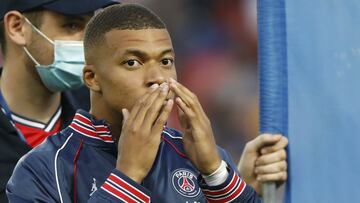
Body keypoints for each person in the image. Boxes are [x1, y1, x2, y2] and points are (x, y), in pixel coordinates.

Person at [7, 3, 288, 203]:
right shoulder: (42, 168)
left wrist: (217, 174)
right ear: (92, 78)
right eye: (132, 62)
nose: (157, 77)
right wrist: (128, 174)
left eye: (166, 61)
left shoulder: (202, 157)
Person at [0, 0, 117, 202]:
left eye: (92, 28)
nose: (89, 44)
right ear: (17, 28)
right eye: (72, 25)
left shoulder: (105, 116)